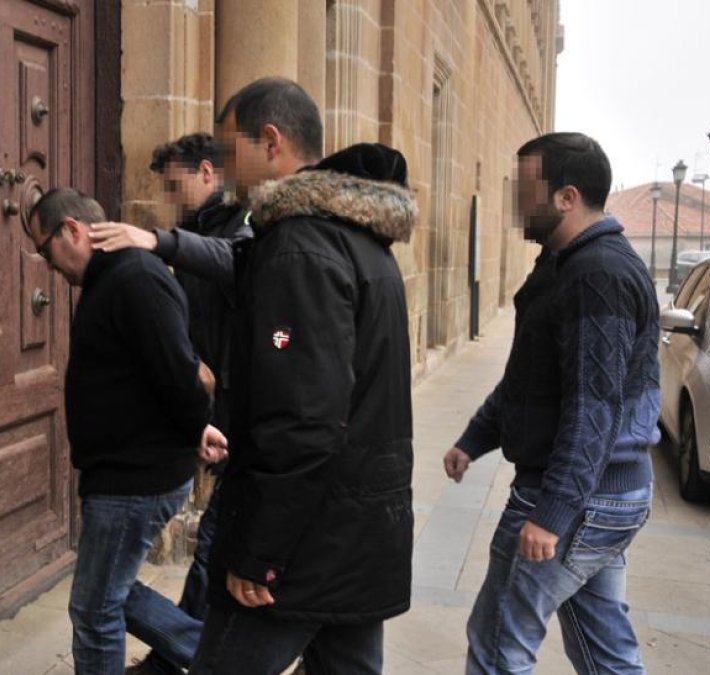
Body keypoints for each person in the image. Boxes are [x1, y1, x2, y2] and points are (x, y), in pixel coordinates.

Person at [189, 78, 417, 675]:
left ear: (269, 142)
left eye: (228, 148)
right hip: (357, 535)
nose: (222, 166)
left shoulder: (299, 248)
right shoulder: (358, 240)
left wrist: (259, 554)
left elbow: (303, 415)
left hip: (302, 550)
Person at [443, 132, 659, 674]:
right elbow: (531, 379)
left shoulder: (598, 276)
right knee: (603, 649)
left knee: (497, 647)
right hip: (605, 494)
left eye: (524, 187)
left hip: (578, 499)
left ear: (566, 196)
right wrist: (475, 438)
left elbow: (594, 410)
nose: (515, 198)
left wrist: (554, 513)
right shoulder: (564, 264)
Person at [27, 188, 228, 675]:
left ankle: (229, 661)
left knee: (95, 609)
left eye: (43, 248)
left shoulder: (134, 277)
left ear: (71, 229)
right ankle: (225, 660)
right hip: (126, 472)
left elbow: (180, 373)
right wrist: (193, 427)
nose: (44, 262)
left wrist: (192, 424)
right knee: (108, 592)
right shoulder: (110, 279)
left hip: (136, 478)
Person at [88, 133, 252, 675]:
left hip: (247, 419)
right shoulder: (198, 230)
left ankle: (207, 662)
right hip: (215, 417)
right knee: (216, 550)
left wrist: (159, 241)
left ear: (208, 171)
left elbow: (242, 277)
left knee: (212, 550)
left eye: (177, 185)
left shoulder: (243, 227)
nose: (172, 198)